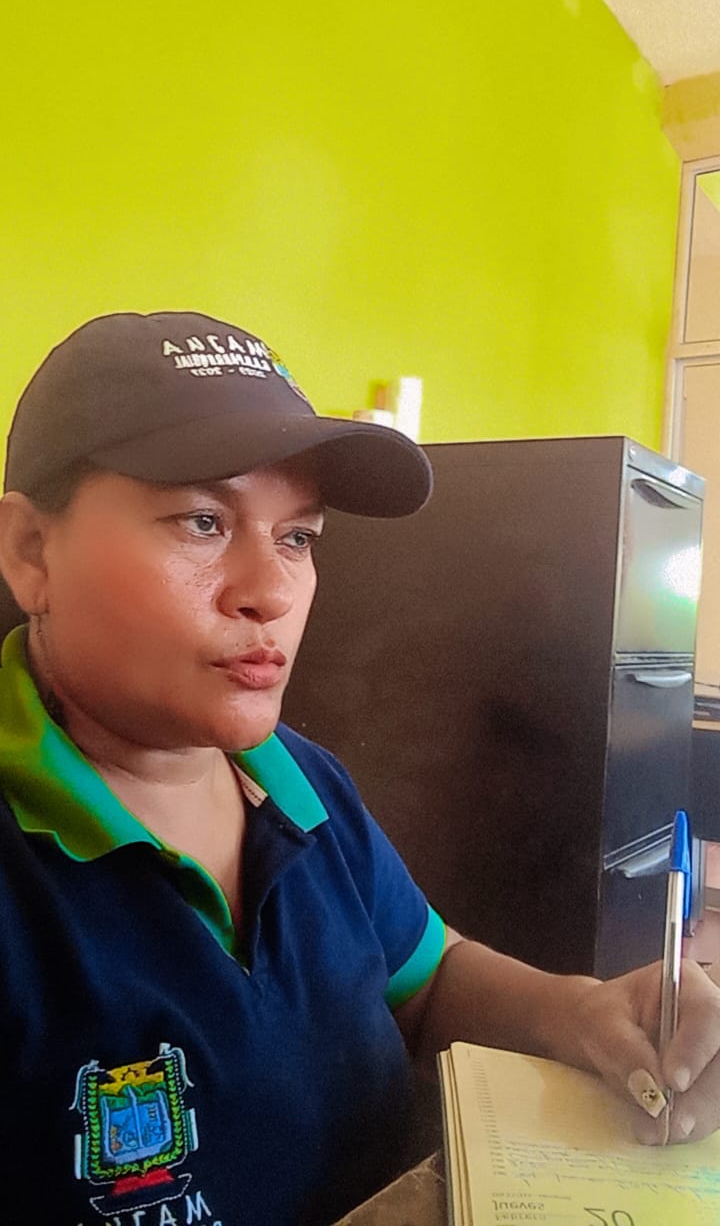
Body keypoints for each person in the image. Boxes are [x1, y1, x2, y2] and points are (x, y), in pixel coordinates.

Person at [0, 311, 719, 1226]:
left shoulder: (299, 784)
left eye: (298, 538)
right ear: (31, 552)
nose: (271, 592)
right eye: (203, 522)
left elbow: (427, 975)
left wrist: (583, 1011)